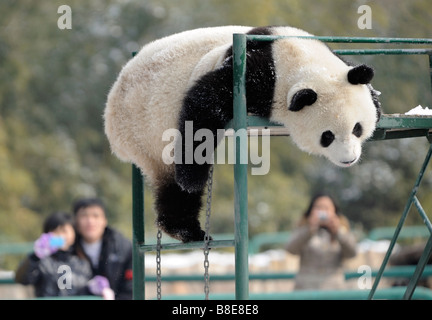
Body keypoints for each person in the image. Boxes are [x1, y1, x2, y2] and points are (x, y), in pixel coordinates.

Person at [285, 192, 357, 290]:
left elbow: (352, 252)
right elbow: (291, 249)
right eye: (318, 207)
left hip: (334, 289)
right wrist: (309, 230)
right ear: (311, 210)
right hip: (306, 289)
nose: (322, 212)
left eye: (326, 208)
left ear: (334, 211)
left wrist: (338, 232)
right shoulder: (303, 228)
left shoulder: (342, 229)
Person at [15, 211, 97, 297]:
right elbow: (22, 279)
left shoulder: (82, 262)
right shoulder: (42, 261)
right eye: (55, 232)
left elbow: (84, 290)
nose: (60, 236)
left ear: (74, 234)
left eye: (64, 231)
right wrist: (35, 257)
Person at [72, 198, 133, 300]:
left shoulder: (123, 247)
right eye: (84, 216)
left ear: (104, 221)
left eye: (96, 216)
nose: (90, 221)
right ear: (76, 222)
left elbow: (131, 288)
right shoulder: (67, 248)